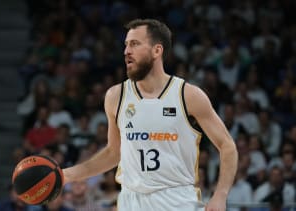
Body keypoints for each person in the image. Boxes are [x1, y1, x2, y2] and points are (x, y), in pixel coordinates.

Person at [62, 19, 238, 211]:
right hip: (131, 201)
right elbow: (114, 153)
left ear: (157, 51)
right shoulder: (116, 96)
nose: (126, 51)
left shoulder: (188, 95)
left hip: (176, 201)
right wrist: (66, 175)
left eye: (135, 44)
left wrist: (220, 195)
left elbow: (227, 145)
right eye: (126, 45)